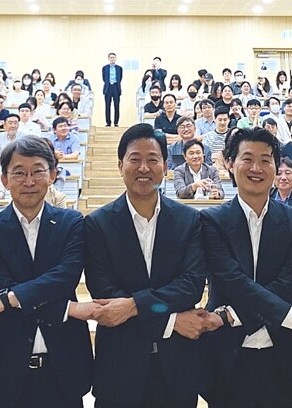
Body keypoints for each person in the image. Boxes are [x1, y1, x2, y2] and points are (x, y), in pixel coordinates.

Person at [84, 124, 213, 408]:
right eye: (135, 159)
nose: (144, 168)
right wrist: (171, 322)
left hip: (177, 370)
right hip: (119, 369)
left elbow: (191, 286)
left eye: (152, 159)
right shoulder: (97, 224)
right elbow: (105, 294)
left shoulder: (189, 220)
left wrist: (132, 305)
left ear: (165, 166)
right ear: (120, 165)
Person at [200, 127, 292, 408]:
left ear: (275, 167)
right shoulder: (211, 221)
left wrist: (229, 316)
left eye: (265, 160)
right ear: (230, 163)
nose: (256, 168)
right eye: (247, 159)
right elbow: (233, 282)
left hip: (285, 358)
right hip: (226, 356)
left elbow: (287, 286)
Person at [0, 136, 94, 408]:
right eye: (19, 173)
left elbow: (65, 278)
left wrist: (8, 300)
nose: (29, 181)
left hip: (65, 366)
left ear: (52, 175)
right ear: (4, 180)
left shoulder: (72, 223)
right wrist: (68, 309)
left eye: (37, 171)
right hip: (5, 367)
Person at [102, 52, 124, 127]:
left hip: (116, 87)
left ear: (115, 58)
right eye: (111, 57)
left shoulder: (119, 68)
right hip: (108, 87)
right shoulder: (105, 68)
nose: (112, 59)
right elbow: (104, 78)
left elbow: (120, 78)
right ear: (108, 58)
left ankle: (116, 122)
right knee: (107, 106)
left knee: (116, 105)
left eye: (113, 57)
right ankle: (108, 122)